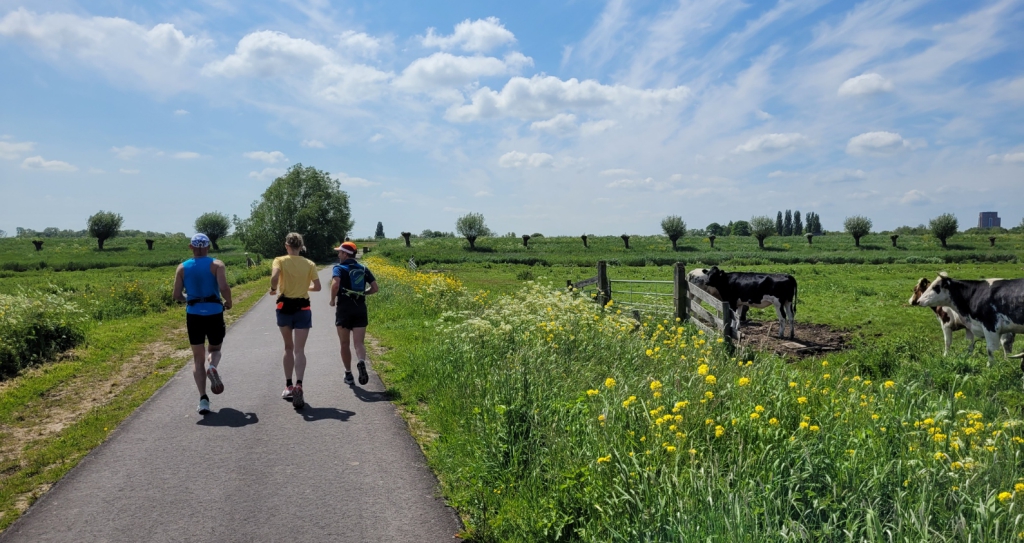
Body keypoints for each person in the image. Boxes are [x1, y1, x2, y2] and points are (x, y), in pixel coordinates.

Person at [172, 234, 232, 415]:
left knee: (198, 359)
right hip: (214, 312)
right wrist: (229, 302)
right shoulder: (217, 265)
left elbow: (176, 295)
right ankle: (212, 367)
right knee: (215, 349)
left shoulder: (182, 267)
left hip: (194, 315)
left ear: (191, 247)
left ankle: (204, 400)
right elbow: (223, 287)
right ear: (208, 247)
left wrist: (190, 299)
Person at [270, 232, 321, 409]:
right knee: (300, 350)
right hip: (303, 308)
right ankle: (299, 384)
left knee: (288, 348)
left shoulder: (279, 260)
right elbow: (318, 287)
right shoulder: (309, 264)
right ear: (301, 247)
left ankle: (289, 386)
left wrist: (273, 288)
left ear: (287, 246)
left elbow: (274, 278)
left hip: (284, 307)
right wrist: (305, 287)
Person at [330, 241, 378, 386]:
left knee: (344, 344)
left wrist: (332, 300)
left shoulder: (339, 268)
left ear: (345, 254)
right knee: (359, 343)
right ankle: (361, 361)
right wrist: (363, 293)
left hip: (344, 309)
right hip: (360, 309)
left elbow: (335, 285)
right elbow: (375, 288)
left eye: (340, 252)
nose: (338, 255)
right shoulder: (363, 268)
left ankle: (348, 374)